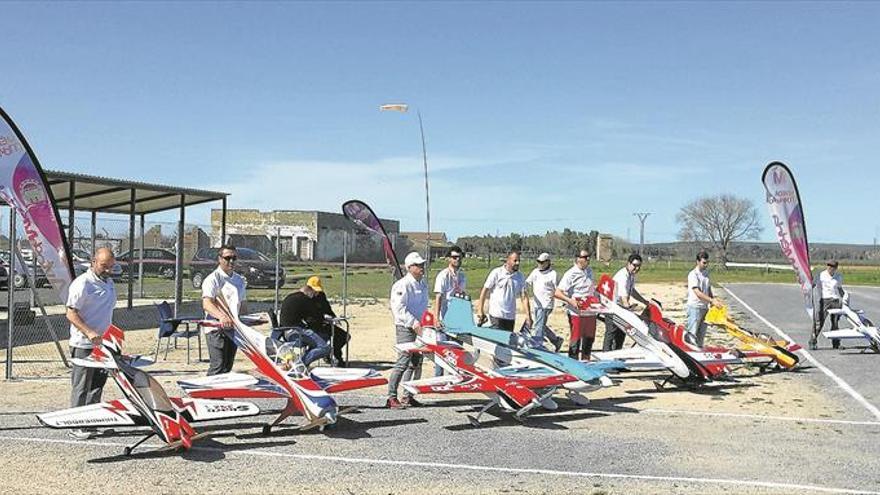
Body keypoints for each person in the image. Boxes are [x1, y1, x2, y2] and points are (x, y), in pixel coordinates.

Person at [65, 247, 118, 440]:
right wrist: (89, 332)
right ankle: (76, 424)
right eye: (104, 266)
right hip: (83, 344)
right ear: (93, 262)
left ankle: (92, 421)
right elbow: (71, 313)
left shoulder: (109, 282)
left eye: (111, 266)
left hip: (103, 344)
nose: (108, 270)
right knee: (81, 385)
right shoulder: (82, 284)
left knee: (97, 385)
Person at [387, 251, 429, 409]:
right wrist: (414, 323)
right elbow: (399, 308)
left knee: (416, 363)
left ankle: (408, 395)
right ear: (409, 267)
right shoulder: (402, 285)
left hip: (420, 326)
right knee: (403, 362)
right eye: (418, 265)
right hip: (406, 327)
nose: (422, 268)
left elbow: (423, 305)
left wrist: (425, 322)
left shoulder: (423, 284)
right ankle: (391, 396)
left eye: (422, 265)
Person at [201, 245, 248, 376]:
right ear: (220, 259)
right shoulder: (213, 279)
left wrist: (246, 320)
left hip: (233, 328)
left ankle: (218, 395)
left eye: (234, 258)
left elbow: (243, 305)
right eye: (227, 258)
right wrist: (222, 317)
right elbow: (207, 303)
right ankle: (207, 394)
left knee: (227, 367)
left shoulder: (239, 280)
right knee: (218, 366)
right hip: (216, 328)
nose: (231, 261)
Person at [277, 278, 331, 368]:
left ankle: (301, 361)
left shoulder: (291, 296)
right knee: (324, 348)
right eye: (315, 292)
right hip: (296, 331)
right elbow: (314, 318)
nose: (316, 295)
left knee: (321, 338)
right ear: (309, 290)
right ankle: (300, 364)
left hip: (285, 331)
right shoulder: (305, 300)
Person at [554, 249, 596, 359]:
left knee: (589, 339)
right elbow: (558, 292)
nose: (588, 259)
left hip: (590, 311)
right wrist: (570, 301)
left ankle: (586, 362)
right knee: (576, 339)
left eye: (589, 257)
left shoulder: (590, 271)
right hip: (576, 312)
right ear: (578, 259)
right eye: (585, 257)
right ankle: (573, 363)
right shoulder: (571, 273)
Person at [603, 253, 650, 351]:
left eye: (639, 266)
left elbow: (632, 291)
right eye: (634, 265)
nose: (636, 268)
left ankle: (617, 357)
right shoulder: (623, 276)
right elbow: (623, 297)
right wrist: (629, 309)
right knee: (611, 334)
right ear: (628, 264)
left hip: (621, 309)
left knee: (621, 336)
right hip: (613, 309)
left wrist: (645, 302)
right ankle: (606, 357)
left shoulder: (631, 275)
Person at [432, 245, 467, 376]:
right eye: (454, 257)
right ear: (449, 259)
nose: (457, 259)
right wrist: (436, 318)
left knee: (457, 350)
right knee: (442, 350)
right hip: (444, 317)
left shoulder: (462, 276)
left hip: (457, 318)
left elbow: (462, 296)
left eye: (459, 257)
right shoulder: (443, 276)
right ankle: (438, 377)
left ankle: (455, 376)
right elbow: (438, 297)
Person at [477, 250, 531, 331]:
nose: (517, 263)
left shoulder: (520, 276)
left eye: (519, 261)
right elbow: (485, 290)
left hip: (510, 317)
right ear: (508, 260)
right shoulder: (497, 272)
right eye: (515, 260)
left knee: (507, 342)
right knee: (498, 340)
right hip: (496, 315)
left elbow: (524, 297)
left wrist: (528, 315)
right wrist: (480, 309)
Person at [524, 252, 564, 351]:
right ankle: (556, 340)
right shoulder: (535, 272)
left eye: (542, 262)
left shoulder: (553, 274)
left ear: (547, 262)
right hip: (537, 303)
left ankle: (538, 347)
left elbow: (558, 289)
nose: (540, 264)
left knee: (539, 327)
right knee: (540, 324)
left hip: (546, 304)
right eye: (538, 262)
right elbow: (527, 282)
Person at [308, 276, 350, 367]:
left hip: (325, 323)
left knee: (344, 336)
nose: (316, 292)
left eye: (317, 290)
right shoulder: (305, 298)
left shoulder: (321, 296)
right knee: (322, 338)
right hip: (313, 326)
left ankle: (334, 355)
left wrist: (333, 318)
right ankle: (333, 356)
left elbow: (327, 309)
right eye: (314, 290)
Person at [685, 251, 723, 347]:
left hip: (704, 307)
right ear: (698, 262)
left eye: (707, 262)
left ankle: (699, 351)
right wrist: (711, 300)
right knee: (692, 334)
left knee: (701, 335)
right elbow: (697, 292)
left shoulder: (706, 274)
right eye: (704, 263)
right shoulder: (693, 274)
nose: (706, 265)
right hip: (695, 307)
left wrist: (713, 300)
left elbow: (708, 288)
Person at [812, 260, 845, 350]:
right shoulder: (820, 275)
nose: (830, 268)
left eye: (832, 266)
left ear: (836, 268)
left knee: (835, 323)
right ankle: (813, 341)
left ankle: (836, 343)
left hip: (835, 301)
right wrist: (807, 288)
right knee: (819, 322)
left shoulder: (838, 277)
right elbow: (812, 285)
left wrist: (845, 299)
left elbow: (839, 289)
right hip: (824, 300)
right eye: (829, 265)